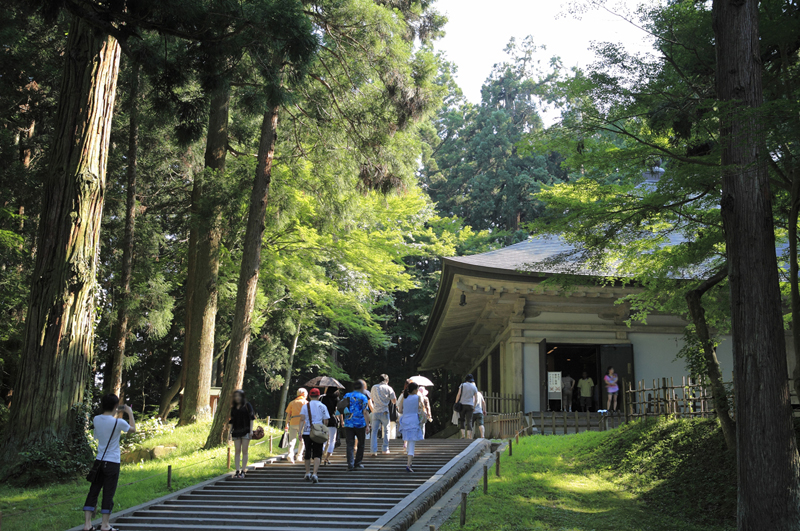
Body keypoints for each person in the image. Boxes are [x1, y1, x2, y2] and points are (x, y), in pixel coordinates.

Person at [82, 394, 136, 531]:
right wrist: (129, 413)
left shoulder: (96, 419)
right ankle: (105, 525)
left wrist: (114, 410)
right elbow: (133, 429)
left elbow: (99, 432)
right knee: (108, 492)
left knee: (93, 491)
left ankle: (87, 525)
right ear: (115, 406)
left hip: (99, 461)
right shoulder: (119, 423)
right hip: (112, 462)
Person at [299, 388, 330, 483]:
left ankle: (307, 472)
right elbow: (326, 420)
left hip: (307, 431)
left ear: (309, 396)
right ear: (318, 396)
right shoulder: (323, 406)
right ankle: (315, 473)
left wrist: (300, 431)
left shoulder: (305, 406)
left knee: (307, 452)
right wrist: (324, 429)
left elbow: (301, 419)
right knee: (317, 452)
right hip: (318, 432)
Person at [338, 381, 371, 471]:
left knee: (350, 444)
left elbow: (342, 407)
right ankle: (358, 463)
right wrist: (367, 425)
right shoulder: (363, 397)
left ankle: (350, 464)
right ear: (362, 388)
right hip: (360, 423)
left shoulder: (347, 395)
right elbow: (365, 412)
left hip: (349, 423)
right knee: (361, 443)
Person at [397, 382, 424, 472]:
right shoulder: (418, 398)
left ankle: (409, 462)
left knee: (408, 441)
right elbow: (420, 408)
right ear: (415, 390)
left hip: (405, 421)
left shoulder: (404, 398)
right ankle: (409, 464)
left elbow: (400, 410)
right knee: (412, 443)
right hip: (414, 421)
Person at [228, 389, 255, 478]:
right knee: (237, 451)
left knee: (244, 450)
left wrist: (251, 430)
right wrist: (229, 433)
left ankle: (243, 470)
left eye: (239, 396)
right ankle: (237, 470)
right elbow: (232, 421)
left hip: (246, 430)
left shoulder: (247, 405)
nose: (237, 398)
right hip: (236, 431)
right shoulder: (234, 408)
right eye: (236, 396)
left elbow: (251, 418)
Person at [370, 374, 397, 456]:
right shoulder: (389, 388)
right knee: (386, 430)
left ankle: (373, 450)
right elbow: (394, 401)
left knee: (374, 431)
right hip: (385, 411)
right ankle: (385, 449)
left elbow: (372, 399)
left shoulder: (374, 387)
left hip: (375, 411)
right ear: (387, 381)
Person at [284, 388, 308, 463]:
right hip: (303, 423)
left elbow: (288, 415)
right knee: (302, 441)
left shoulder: (292, 402)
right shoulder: (306, 403)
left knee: (292, 440)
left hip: (293, 422)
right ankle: (299, 456)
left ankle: (290, 455)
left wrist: (286, 425)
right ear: (304, 394)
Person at [320, 386, 340, 465]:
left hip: (323, 420)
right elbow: (338, 410)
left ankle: (320, 455)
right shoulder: (337, 399)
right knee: (332, 440)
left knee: (323, 440)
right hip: (332, 420)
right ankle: (327, 458)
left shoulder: (323, 398)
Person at [454, 374, 478, 439]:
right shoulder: (474, 387)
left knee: (462, 420)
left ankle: (463, 435)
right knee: (469, 420)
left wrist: (456, 402)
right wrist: (474, 406)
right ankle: (468, 436)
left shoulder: (462, 385)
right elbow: (476, 398)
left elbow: (458, 394)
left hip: (462, 405)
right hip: (470, 405)